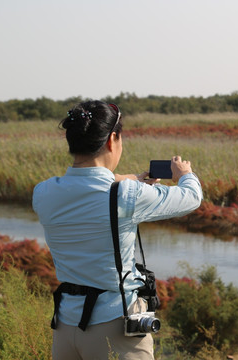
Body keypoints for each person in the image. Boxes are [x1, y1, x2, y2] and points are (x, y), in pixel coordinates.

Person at [32, 100, 202, 360]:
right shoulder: (126, 196)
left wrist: (133, 178)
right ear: (112, 139)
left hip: (66, 325)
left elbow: (88, 182)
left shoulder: (44, 192)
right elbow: (191, 197)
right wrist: (185, 174)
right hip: (115, 324)